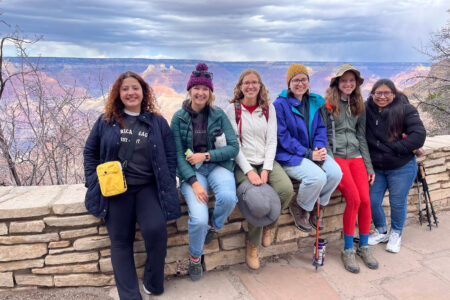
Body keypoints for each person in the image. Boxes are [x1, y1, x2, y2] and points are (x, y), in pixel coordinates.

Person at [83, 71, 181, 299]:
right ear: (119, 93)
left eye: (135, 88)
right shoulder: (106, 121)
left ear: (143, 91)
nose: (130, 92)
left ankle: (153, 282)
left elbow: (170, 155)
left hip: (147, 187)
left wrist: (170, 180)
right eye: (125, 88)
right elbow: (90, 152)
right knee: (120, 240)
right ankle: (129, 295)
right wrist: (93, 181)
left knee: (156, 231)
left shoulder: (157, 122)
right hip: (116, 189)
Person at [171, 62, 239, 281]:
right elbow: (178, 155)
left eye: (205, 89)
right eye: (197, 88)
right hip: (193, 173)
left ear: (210, 92)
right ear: (190, 90)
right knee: (197, 219)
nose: (201, 92)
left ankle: (215, 225)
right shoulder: (179, 118)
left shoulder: (219, 115)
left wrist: (206, 155)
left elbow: (233, 148)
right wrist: (193, 182)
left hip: (217, 166)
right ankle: (195, 257)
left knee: (229, 198)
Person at [225, 69, 294, 270]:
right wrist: (250, 171)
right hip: (242, 164)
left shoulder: (267, 108)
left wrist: (266, 168)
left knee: (286, 190)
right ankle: (252, 245)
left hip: (265, 161)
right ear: (240, 87)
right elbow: (234, 145)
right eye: (246, 83)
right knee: (257, 202)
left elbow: (272, 140)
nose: (251, 86)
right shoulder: (233, 110)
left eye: (255, 82)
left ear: (260, 86)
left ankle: (270, 225)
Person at [322, 64, 378, 273]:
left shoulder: (358, 105)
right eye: (344, 80)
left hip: (356, 157)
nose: (348, 84)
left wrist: (369, 166)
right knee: (353, 199)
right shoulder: (326, 105)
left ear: (356, 84)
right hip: (337, 158)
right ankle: (347, 250)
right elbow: (323, 134)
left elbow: (361, 136)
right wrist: (329, 160)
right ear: (337, 82)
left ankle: (363, 246)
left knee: (366, 201)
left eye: (351, 81)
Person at [274, 64, 342, 233]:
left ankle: (319, 206)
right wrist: (310, 154)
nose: (300, 83)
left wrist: (319, 147)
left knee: (335, 173)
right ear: (289, 83)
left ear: (308, 82)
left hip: (313, 152)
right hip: (290, 155)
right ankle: (300, 206)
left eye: (303, 79)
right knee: (317, 177)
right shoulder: (280, 105)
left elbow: (320, 128)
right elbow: (283, 137)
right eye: (296, 80)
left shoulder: (312, 102)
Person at [365, 78, 426, 253]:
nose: (382, 97)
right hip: (377, 168)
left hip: (401, 167)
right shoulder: (367, 109)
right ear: (372, 94)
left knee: (397, 202)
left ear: (394, 93)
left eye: (386, 93)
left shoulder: (406, 109)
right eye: (378, 93)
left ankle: (396, 233)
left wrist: (397, 149)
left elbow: (419, 135)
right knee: (372, 201)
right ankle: (381, 230)